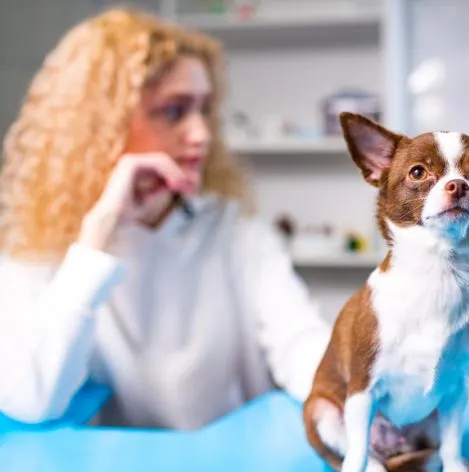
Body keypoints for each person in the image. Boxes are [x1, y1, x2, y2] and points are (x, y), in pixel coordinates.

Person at [0, 8, 332, 429]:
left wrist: (347, 405)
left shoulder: (231, 231)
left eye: (204, 110)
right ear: (103, 124)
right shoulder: (39, 244)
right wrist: (96, 239)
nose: (202, 134)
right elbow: (32, 398)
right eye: (174, 111)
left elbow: (300, 342)